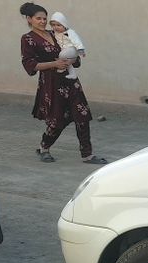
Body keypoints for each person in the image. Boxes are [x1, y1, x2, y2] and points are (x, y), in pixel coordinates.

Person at [19, 2, 105, 164]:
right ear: (29, 19)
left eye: (45, 18)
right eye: (39, 19)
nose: (43, 21)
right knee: (57, 120)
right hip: (51, 84)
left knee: (82, 116)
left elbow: (72, 50)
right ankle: (44, 147)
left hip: (71, 81)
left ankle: (87, 154)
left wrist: (74, 57)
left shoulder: (56, 33)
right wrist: (54, 64)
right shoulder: (28, 39)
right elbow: (30, 65)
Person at [48, 12, 85, 80]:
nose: (56, 27)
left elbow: (76, 40)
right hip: (66, 51)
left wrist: (80, 49)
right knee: (67, 61)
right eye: (53, 25)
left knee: (62, 55)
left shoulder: (70, 32)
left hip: (72, 49)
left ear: (64, 25)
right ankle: (72, 74)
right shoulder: (55, 33)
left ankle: (62, 68)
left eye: (58, 25)